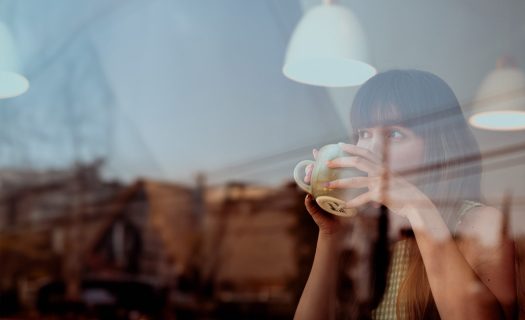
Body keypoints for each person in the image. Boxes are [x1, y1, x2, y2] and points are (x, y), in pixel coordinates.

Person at [294, 69, 517, 319]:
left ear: (438, 146)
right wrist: (331, 235)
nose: (372, 149)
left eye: (394, 134)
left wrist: (416, 207)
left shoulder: (481, 224)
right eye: (363, 134)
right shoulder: (369, 231)